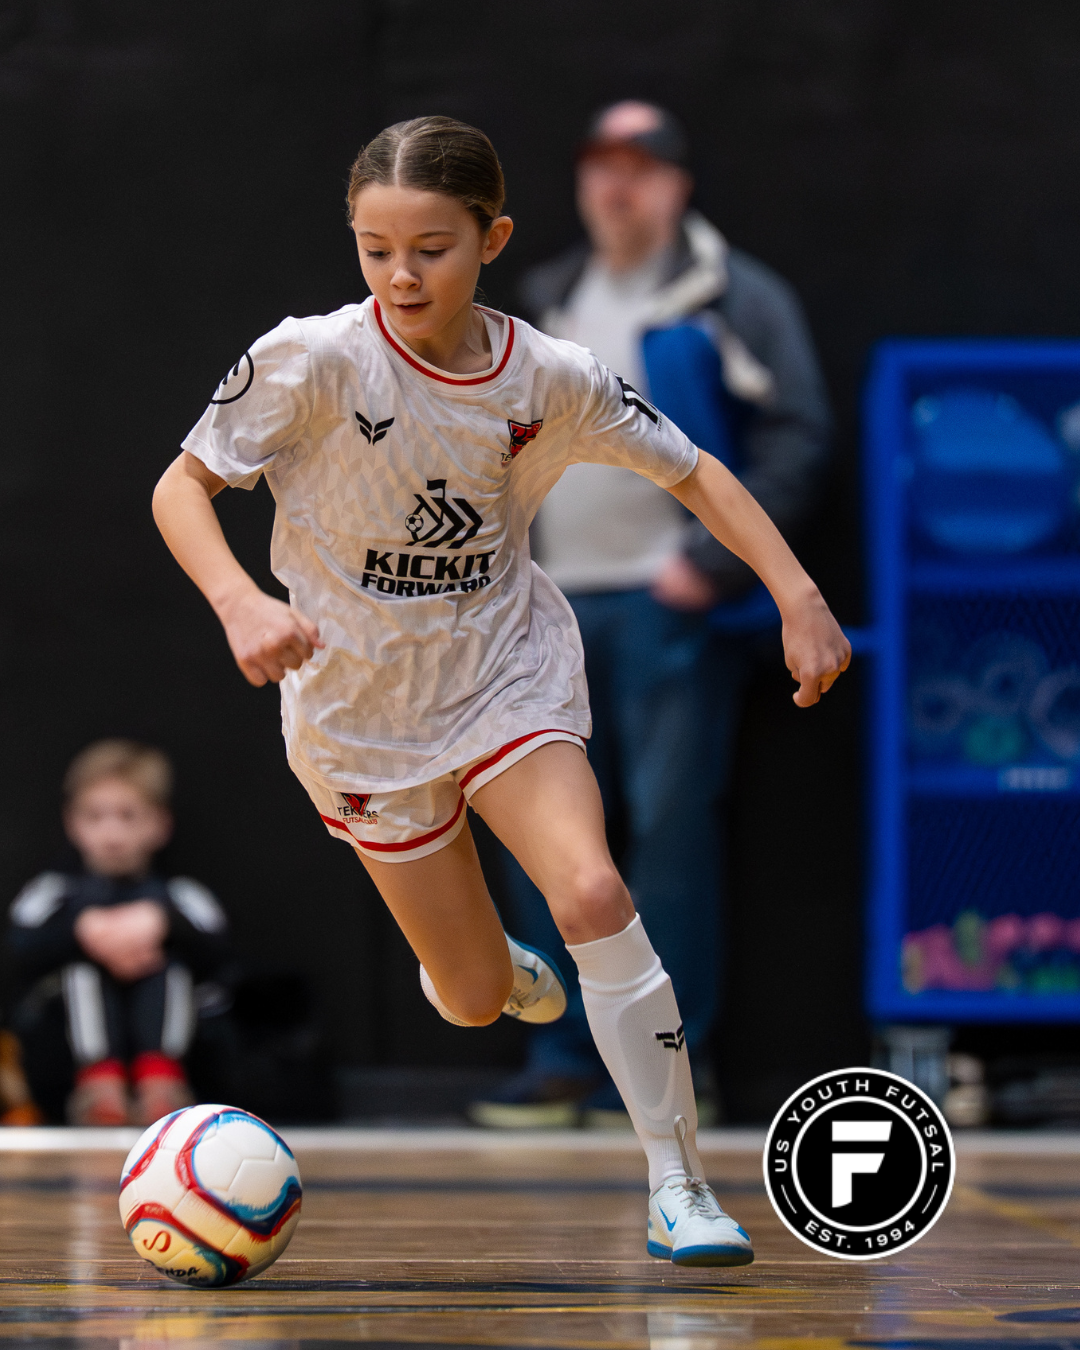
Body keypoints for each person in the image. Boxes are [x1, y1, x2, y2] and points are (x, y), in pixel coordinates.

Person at [151, 115, 849, 1267]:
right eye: (376, 248)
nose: (401, 274)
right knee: (475, 995)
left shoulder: (550, 377)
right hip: (358, 718)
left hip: (503, 674)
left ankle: (678, 1186)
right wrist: (240, 602)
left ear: (494, 238)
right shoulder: (310, 359)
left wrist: (798, 595)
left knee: (593, 890)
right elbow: (181, 486)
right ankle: (488, 968)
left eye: (431, 248)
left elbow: (698, 472)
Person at [471, 101, 833, 1128]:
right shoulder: (545, 298)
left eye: (641, 165)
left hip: (665, 612)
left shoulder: (733, 297)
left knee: (670, 834)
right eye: (601, 164)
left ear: (678, 184)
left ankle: (675, 1064)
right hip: (538, 614)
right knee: (537, 835)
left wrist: (712, 564)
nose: (618, 184)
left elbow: (798, 436)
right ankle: (560, 1059)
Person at [7, 740, 231, 1125]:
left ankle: (161, 1083)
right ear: (72, 823)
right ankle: (99, 1087)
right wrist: (81, 932)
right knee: (82, 973)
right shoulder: (53, 891)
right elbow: (18, 947)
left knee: (168, 968)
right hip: (63, 1057)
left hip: (176, 1043)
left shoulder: (180, 893)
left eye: (128, 816)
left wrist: (161, 924)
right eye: (95, 816)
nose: (112, 832)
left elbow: (220, 947)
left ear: (160, 824)